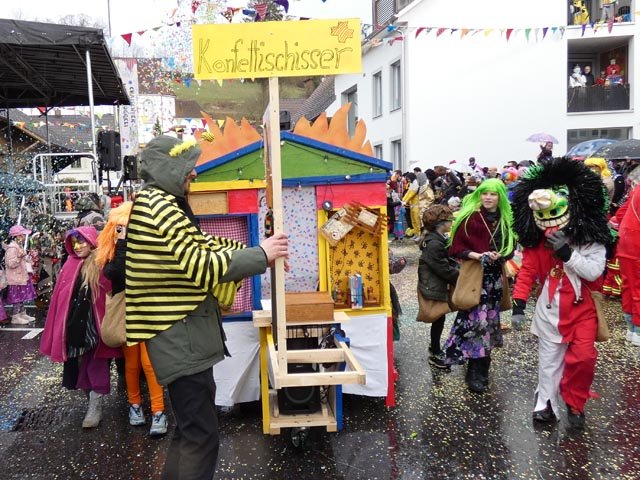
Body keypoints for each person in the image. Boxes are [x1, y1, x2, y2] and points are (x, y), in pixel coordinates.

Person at [125, 135, 289, 479]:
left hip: (182, 337)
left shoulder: (157, 202)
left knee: (191, 431)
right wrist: (261, 255)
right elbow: (202, 262)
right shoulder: (159, 206)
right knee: (201, 436)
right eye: (188, 166)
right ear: (169, 168)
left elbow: (203, 244)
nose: (194, 173)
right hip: (181, 337)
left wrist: (261, 252)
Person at [510, 158, 610, 429]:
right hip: (550, 310)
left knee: (584, 359)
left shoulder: (591, 238)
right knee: (549, 361)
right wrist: (518, 304)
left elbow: (593, 272)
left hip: (582, 310)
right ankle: (545, 404)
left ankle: (575, 402)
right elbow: (527, 272)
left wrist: (567, 254)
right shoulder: (537, 243)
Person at [95, 201, 168, 436]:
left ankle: (158, 411)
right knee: (132, 364)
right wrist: (122, 243)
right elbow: (116, 273)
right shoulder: (112, 254)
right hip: (127, 315)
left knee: (150, 363)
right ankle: (134, 405)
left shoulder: (149, 249)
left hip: (148, 312)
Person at [40, 226, 123, 428]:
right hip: (74, 327)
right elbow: (61, 297)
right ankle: (91, 401)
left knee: (96, 363)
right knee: (77, 365)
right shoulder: (69, 264)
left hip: (96, 325)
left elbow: (109, 292)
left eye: (81, 242)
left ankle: (95, 406)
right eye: (74, 243)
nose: (77, 247)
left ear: (91, 241)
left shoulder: (102, 262)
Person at [444, 178, 516, 393]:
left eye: (493, 194)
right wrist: (478, 255)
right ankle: (476, 370)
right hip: (475, 278)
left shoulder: (506, 219)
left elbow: (511, 249)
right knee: (477, 322)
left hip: (495, 281)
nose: (488, 198)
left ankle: (482, 365)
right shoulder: (471, 218)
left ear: (500, 197)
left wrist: (501, 255)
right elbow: (455, 248)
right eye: (485, 193)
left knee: (488, 323)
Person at [418, 205, 459, 370]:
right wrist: (461, 277)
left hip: (434, 284)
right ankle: (435, 351)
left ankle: (435, 348)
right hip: (434, 286)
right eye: (449, 220)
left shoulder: (436, 239)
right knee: (438, 317)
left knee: (439, 317)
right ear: (441, 223)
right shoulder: (435, 243)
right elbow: (442, 268)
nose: (451, 223)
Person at [3, 225, 37, 324]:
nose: (24, 237)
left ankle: (22, 313)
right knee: (17, 298)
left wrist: (27, 258)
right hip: (15, 278)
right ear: (17, 236)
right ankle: (15, 316)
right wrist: (20, 257)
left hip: (20, 276)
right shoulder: (12, 248)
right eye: (22, 235)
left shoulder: (18, 246)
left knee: (21, 296)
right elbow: (10, 263)